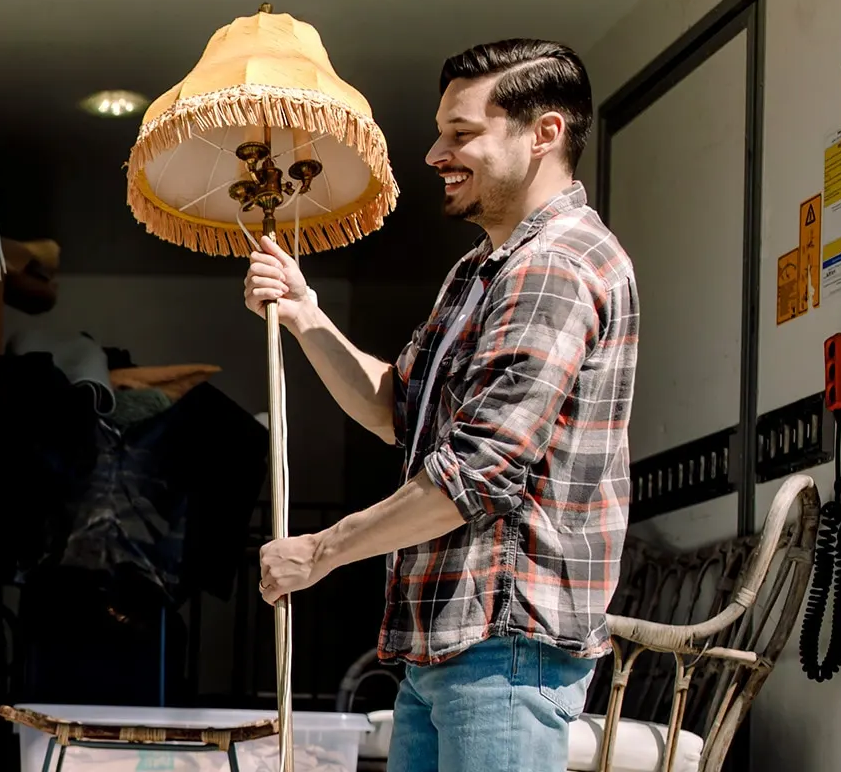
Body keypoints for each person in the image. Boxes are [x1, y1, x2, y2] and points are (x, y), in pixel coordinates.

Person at [243, 39, 639, 771]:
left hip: (504, 652)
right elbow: (399, 409)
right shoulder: (480, 270)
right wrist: (304, 313)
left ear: (544, 133)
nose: (433, 154)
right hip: (446, 646)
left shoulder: (553, 266)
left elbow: (476, 475)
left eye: (461, 133)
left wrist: (319, 552)